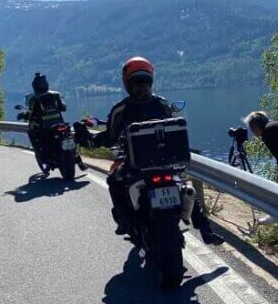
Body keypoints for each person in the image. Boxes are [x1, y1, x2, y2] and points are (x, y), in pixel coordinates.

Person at [76, 56, 222, 245]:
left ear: (126, 83)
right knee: (182, 185)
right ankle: (206, 230)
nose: (141, 87)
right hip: (166, 163)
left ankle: (125, 222)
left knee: (114, 181)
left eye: (141, 83)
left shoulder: (122, 109)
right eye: (139, 83)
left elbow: (109, 137)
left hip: (136, 166)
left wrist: (89, 140)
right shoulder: (163, 104)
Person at [24, 72, 86, 170]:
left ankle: (46, 158)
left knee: (38, 139)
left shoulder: (34, 98)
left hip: (45, 128)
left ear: (35, 86)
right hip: (60, 124)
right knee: (68, 138)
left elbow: (30, 113)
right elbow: (64, 108)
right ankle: (79, 162)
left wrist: (24, 115)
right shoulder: (56, 95)